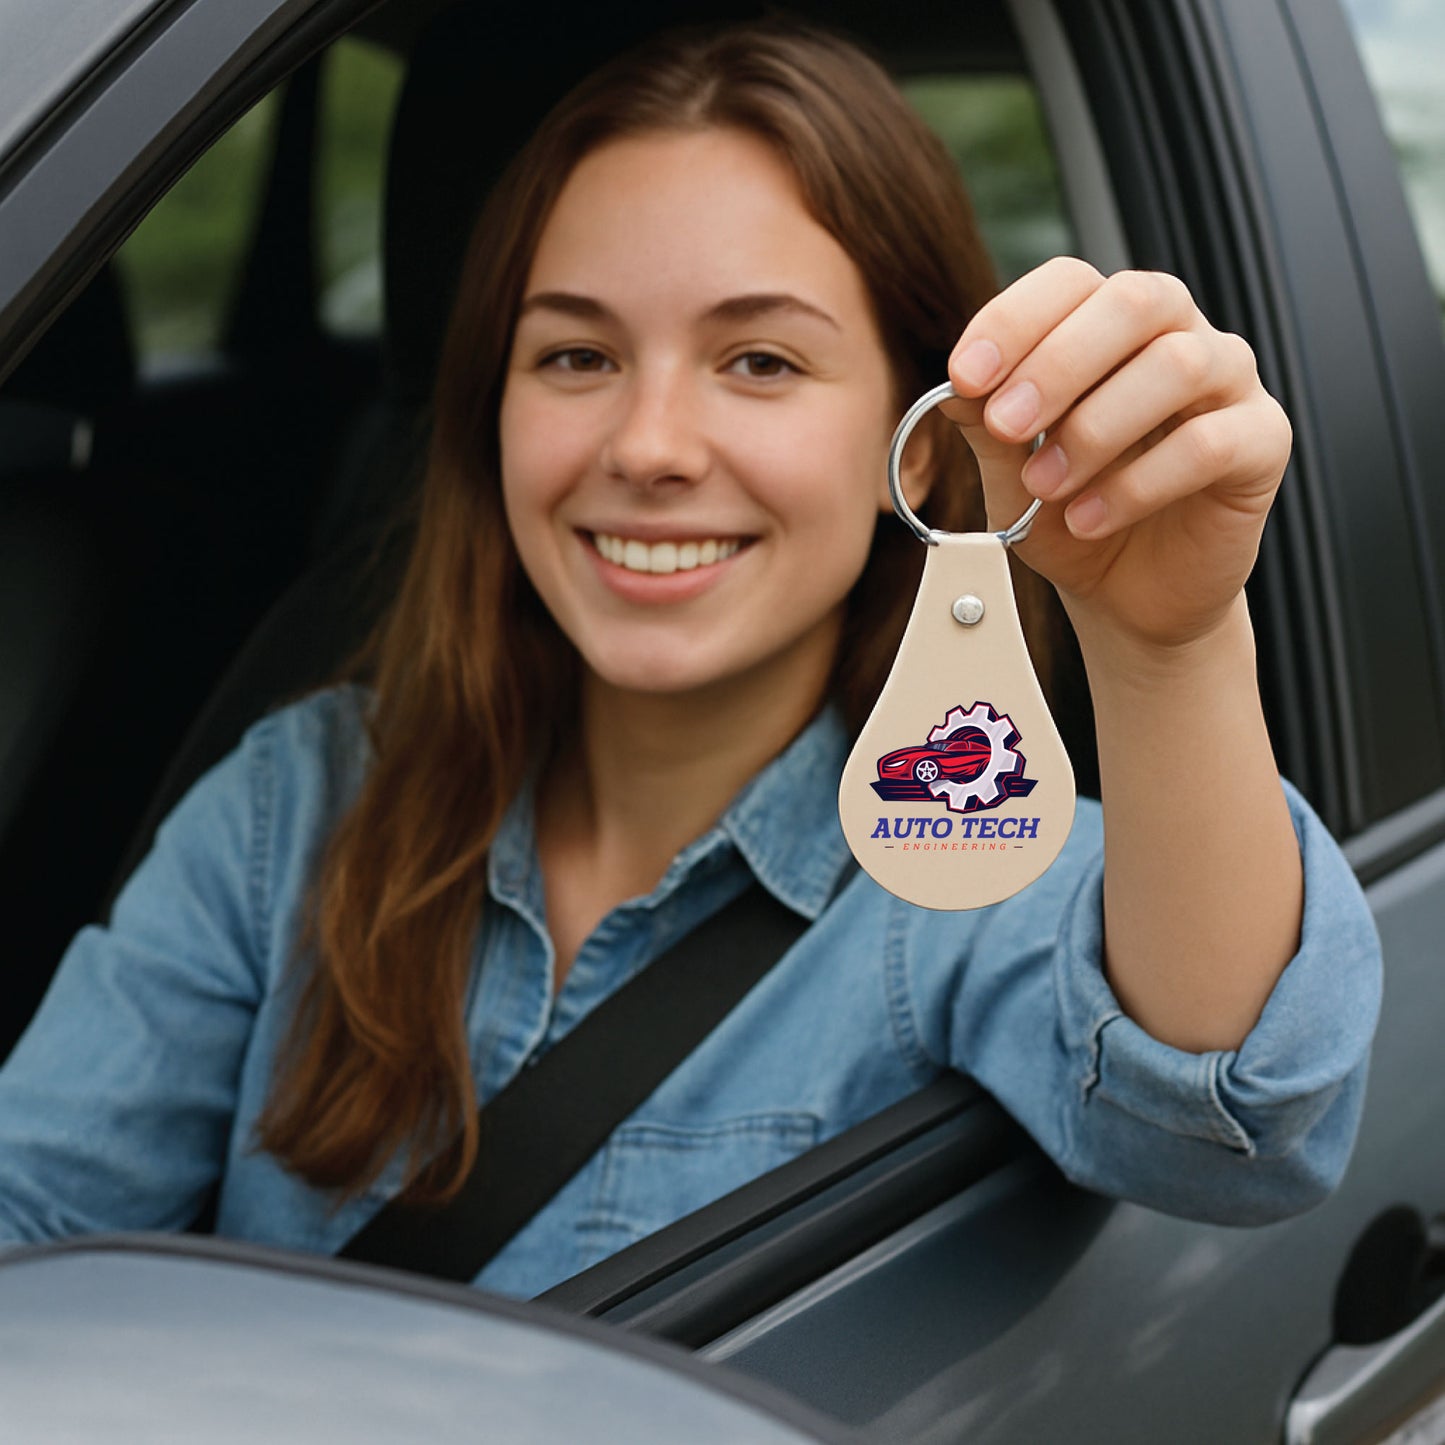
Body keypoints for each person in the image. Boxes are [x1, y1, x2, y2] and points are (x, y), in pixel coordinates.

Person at [0, 21, 1380, 1298]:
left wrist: (1169, 645)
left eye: (761, 361)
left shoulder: (964, 860)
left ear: (918, 437)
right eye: (576, 355)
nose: (649, 444)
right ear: (490, 411)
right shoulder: (295, 803)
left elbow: (1242, 1125)